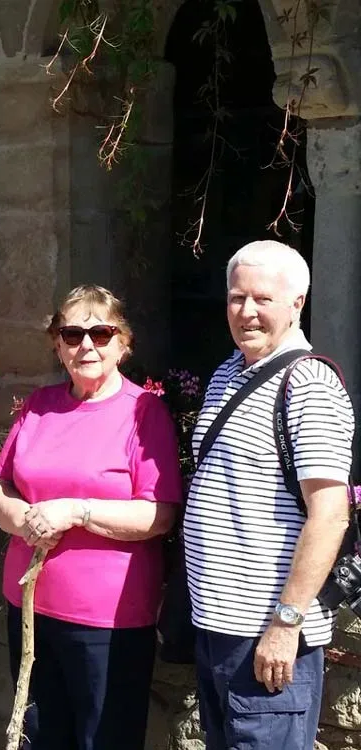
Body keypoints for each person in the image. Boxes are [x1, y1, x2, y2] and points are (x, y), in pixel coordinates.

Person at [0, 283, 182, 750]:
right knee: (42, 737)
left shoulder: (144, 413)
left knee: (103, 739)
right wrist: (18, 516)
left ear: (124, 344)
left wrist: (77, 511)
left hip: (107, 620)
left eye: (101, 333)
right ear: (57, 344)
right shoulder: (39, 406)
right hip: (30, 609)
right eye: (72, 335)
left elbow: (159, 514)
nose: (86, 345)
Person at [184, 241, 355, 750]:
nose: (247, 312)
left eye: (263, 298)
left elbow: (330, 516)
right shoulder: (227, 374)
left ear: (298, 302)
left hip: (269, 637)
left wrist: (285, 624)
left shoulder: (309, 384)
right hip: (218, 629)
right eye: (237, 298)